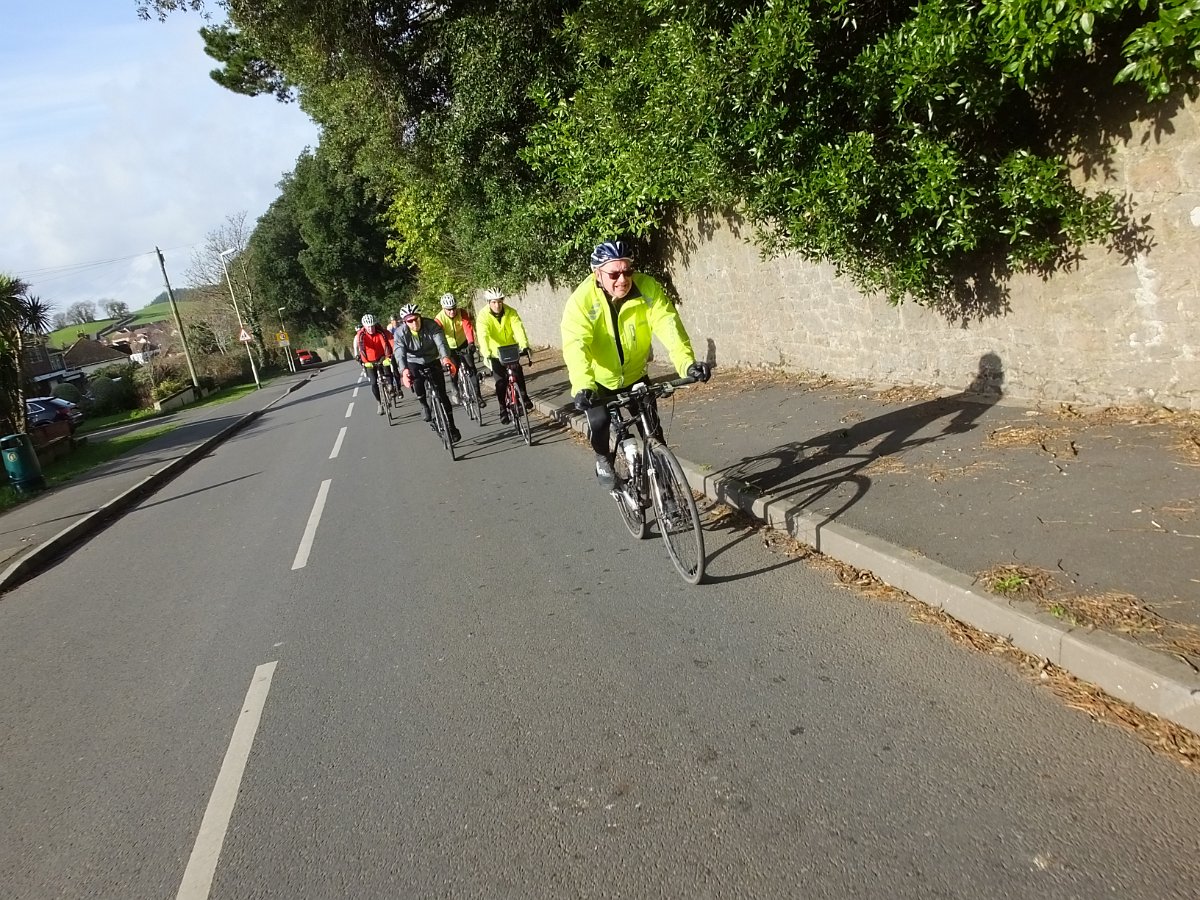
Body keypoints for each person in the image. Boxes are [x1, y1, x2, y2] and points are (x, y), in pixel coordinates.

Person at [560, 240, 711, 488]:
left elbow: (668, 324)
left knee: (654, 433)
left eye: (628, 271)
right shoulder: (581, 302)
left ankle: (666, 493)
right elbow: (576, 345)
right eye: (614, 274)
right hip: (598, 382)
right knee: (599, 422)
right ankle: (603, 459)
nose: (623, 279)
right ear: (597, 274)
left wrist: (687, 364)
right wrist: (583, 385)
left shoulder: (647, 288)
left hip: (636, 375)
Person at [394, 302, 461, 442]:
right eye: (410, 321)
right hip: (414, 361)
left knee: (442, 394)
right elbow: (399, 352)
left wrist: (446, 358)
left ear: (420, 317)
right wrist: (404, 370)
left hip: (432, 358)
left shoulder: (431, 325)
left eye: (416, 319)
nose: (414, 323)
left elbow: (441, 342)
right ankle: (424, 404)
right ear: (405, 322)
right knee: (417, 379)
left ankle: (452, 426)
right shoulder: (400, 333)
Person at [475, 288, 532, 424]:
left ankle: (524, 396)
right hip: (494, 352)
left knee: (517, 371)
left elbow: (518, 328)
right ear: (489, 302)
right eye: (494, 302)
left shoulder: (511, 312)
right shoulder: (483, 316)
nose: (497, 305)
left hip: (510, 349)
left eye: (500, 302)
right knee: (500, 382)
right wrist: (486, 353)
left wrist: (524, 345)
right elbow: (483, 335)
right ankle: (502, 409)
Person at [433, 292, 484, 407]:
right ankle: (455, 387)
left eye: (454, 308)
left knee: (471, 368)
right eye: (449, 309)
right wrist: (442, 354)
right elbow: (438, 337)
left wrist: (471, 343)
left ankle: (478, 396)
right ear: (443, 308)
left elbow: (467, 327)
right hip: (449, 347)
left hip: (463, 343)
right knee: (454, 369)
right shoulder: (439, 319)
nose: (452, 311)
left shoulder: (462, 313)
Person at [352, 313, 399, 415]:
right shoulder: (361, 335)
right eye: (368, 327)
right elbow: (361, 349)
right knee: (373, 383)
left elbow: (389, 343)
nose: (371, 329)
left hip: (382, 356)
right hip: (369, 360)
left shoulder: (381, 332)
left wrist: (389, 357)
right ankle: (379, 403)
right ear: (364, 326)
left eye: (372, 326)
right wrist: (364, 362)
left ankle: (391, 386)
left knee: (387, 371)